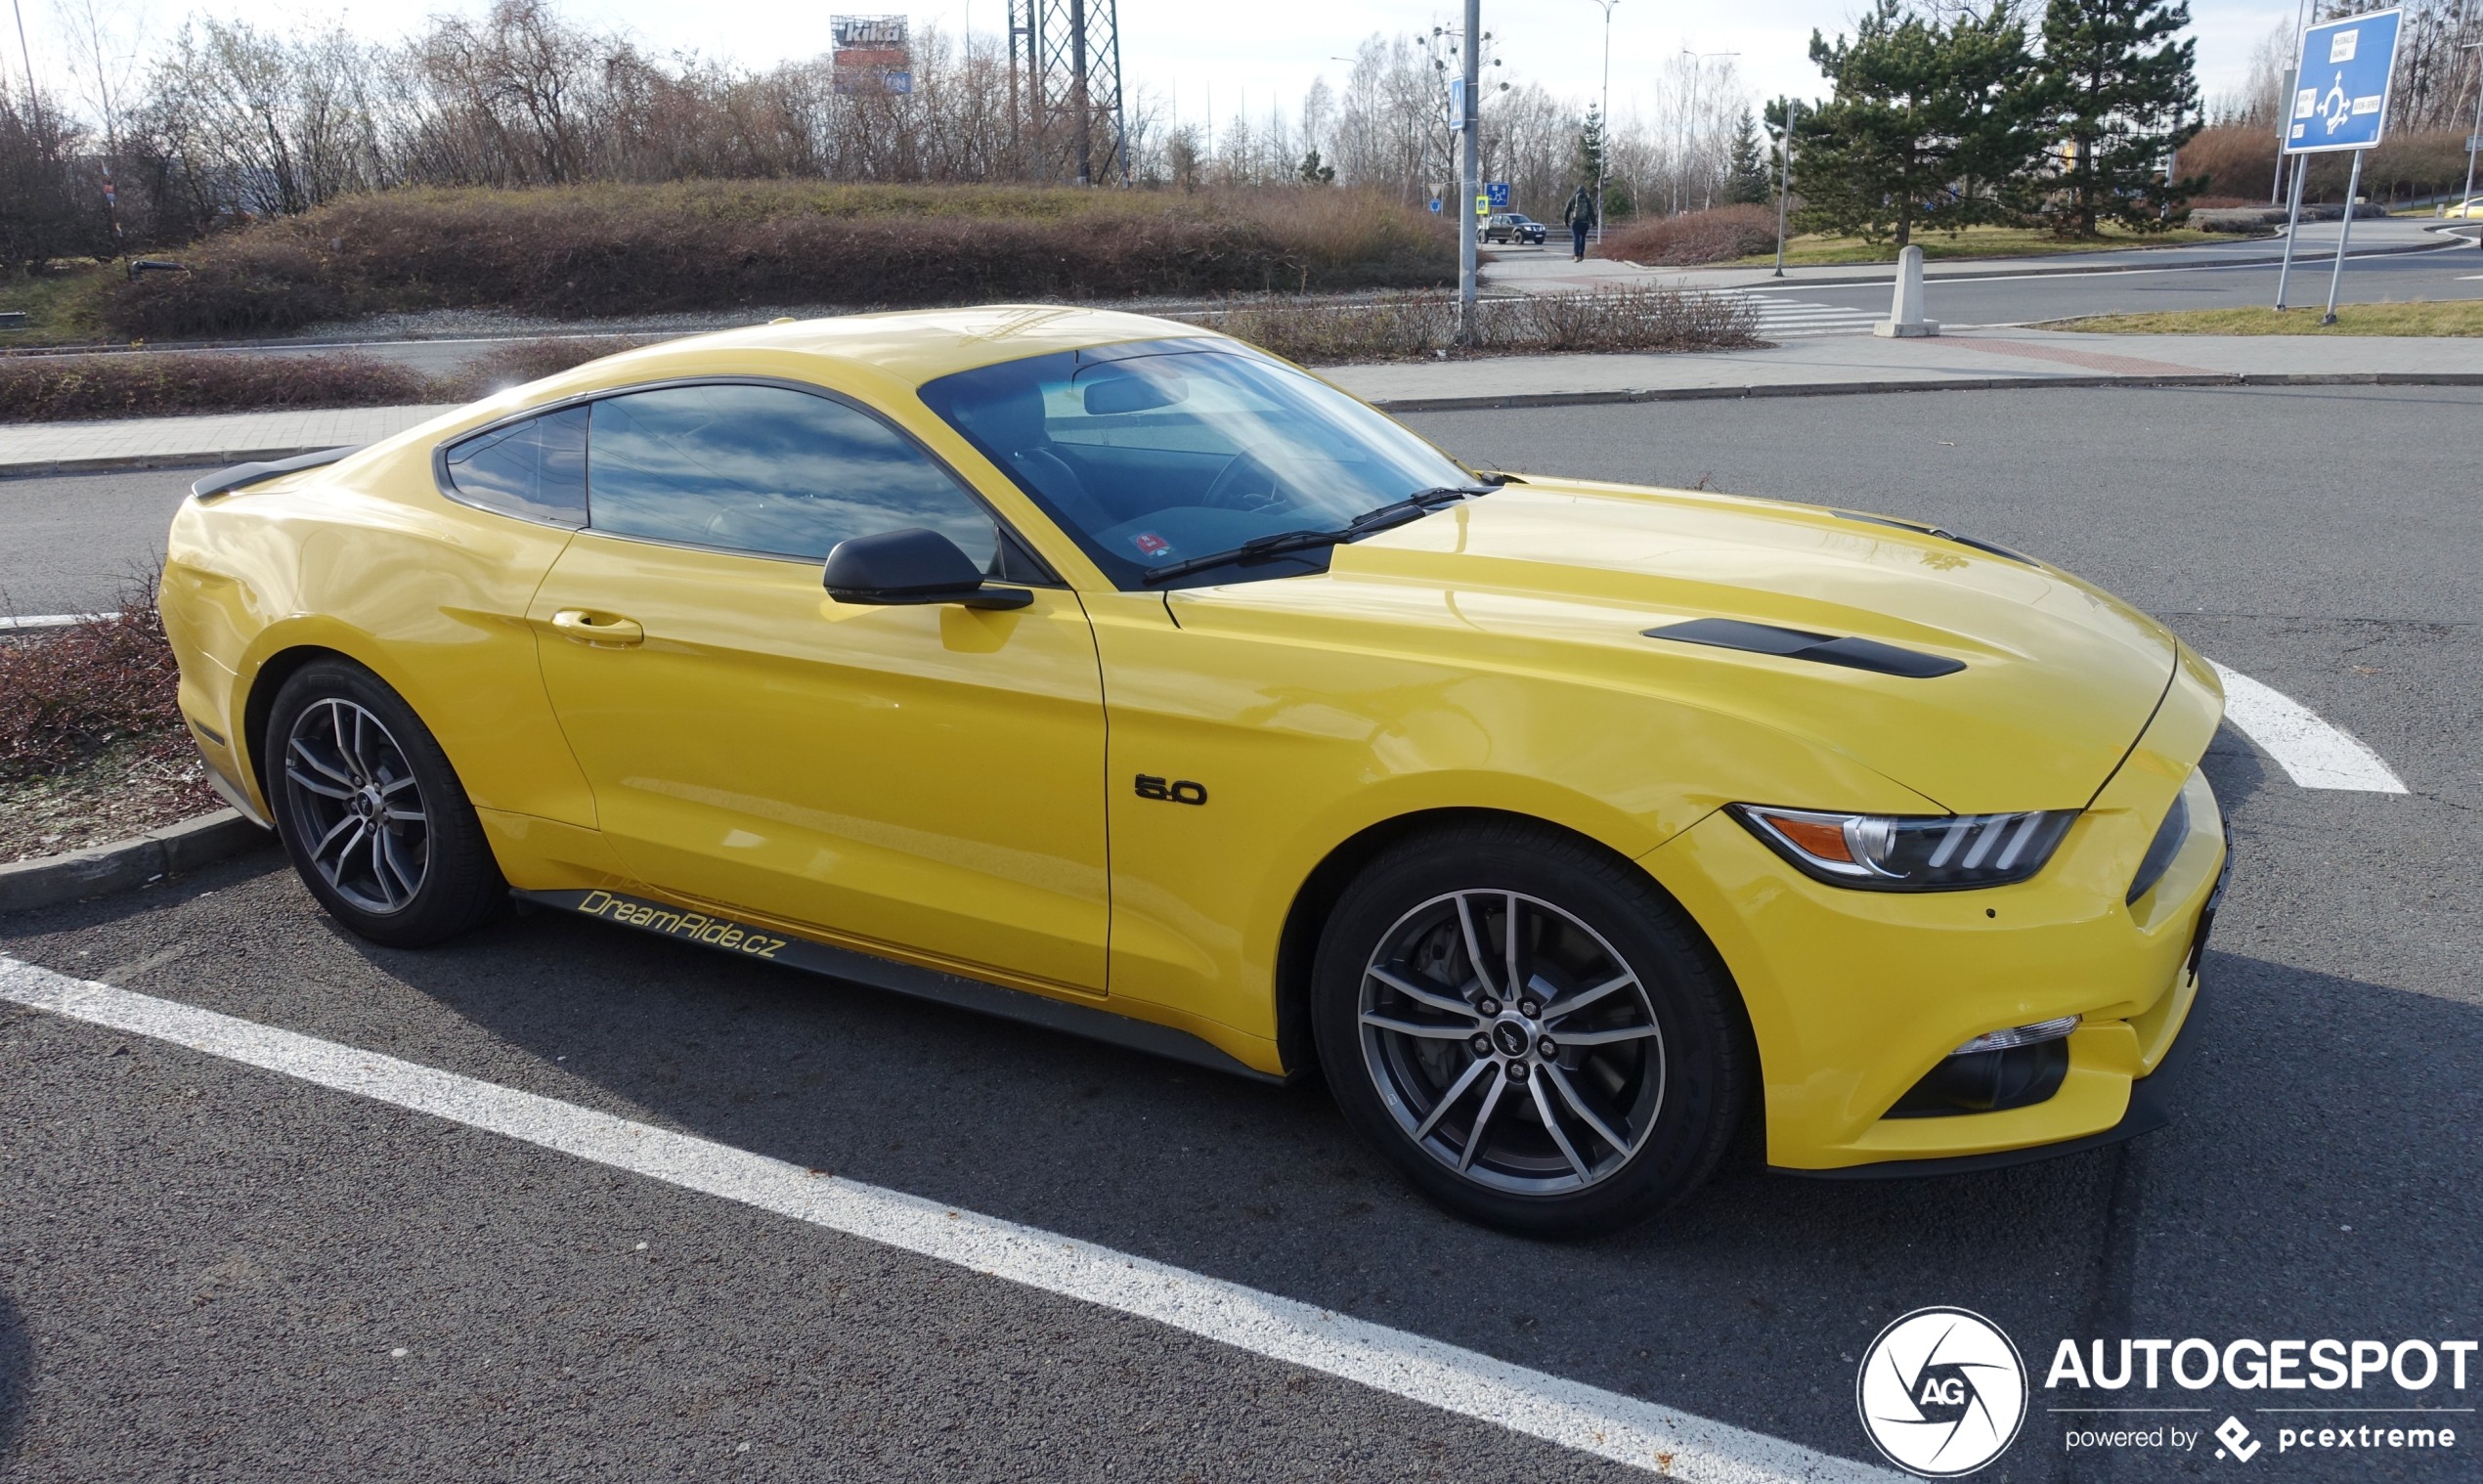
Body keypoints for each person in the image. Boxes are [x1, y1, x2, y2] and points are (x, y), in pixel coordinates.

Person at [1563, 183, 1597, 261]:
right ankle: (1581, 255)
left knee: (1576, 238)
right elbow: (1591, 212)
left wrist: (1566, 221)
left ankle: (1576, 256)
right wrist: (1594, 222)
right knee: (1583, 238)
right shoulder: (1587, 200)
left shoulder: (1573, 199)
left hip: (1575, 222)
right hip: (1585, 223)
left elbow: (1567, 210)